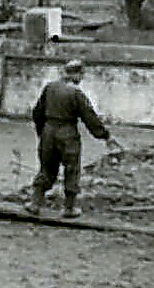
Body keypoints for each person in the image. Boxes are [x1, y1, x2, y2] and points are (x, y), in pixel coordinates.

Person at [27, 59, 120, 218]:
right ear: (78, 74)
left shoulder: (50, 88)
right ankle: (69, 208)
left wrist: (42, 132)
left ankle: (35, 203)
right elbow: (90, 118)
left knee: (46, 167)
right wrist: (106, 136)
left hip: (48, 130)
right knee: (72, 168)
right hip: (67, 132)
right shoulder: (77, 94)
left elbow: (37, 112)